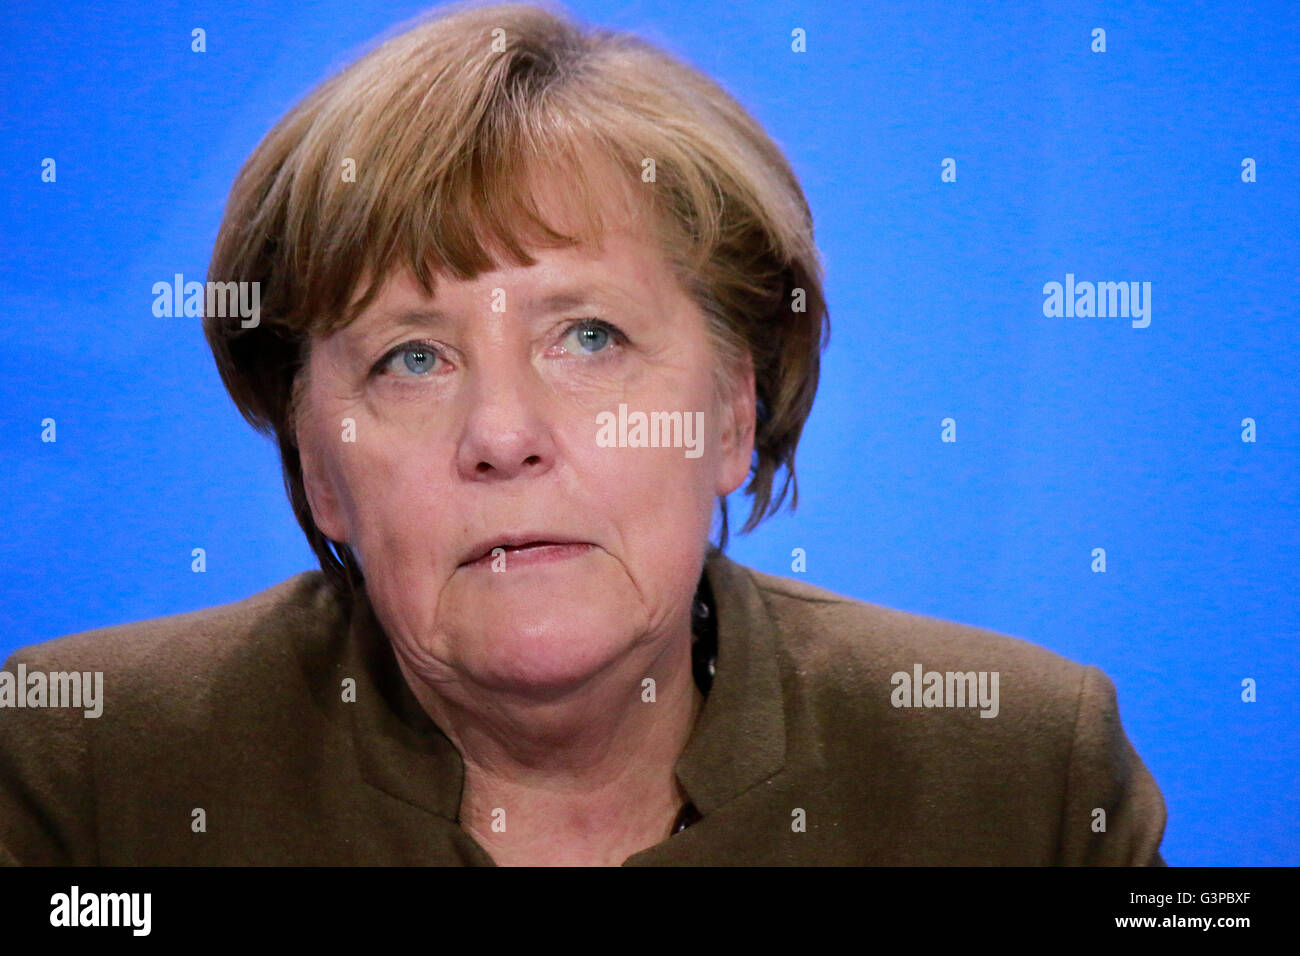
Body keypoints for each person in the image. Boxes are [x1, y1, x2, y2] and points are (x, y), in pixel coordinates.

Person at [0, 0, 1166, 866]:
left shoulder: (1020, 775)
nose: (503, 435)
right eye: (413, 357)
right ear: (316, 468)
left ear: (731, 414)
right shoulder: (87, 768)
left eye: (590, 337)